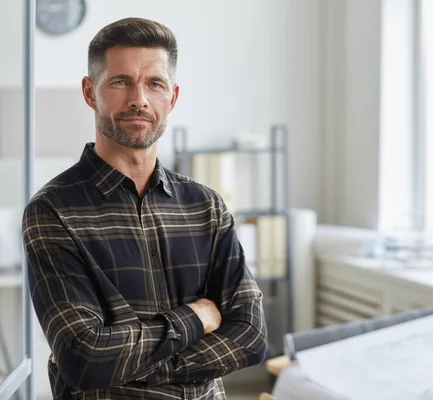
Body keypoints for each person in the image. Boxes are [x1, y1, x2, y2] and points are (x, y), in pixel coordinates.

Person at [22, 17, 267, 399]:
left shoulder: (206, 206)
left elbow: (251, 334)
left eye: (155, 84)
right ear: (90, 92)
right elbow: (85, 358)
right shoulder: (53, 210)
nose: (139, 99)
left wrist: (148, 373)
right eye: (121, 82)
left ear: (173, 96)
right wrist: (197, 317)